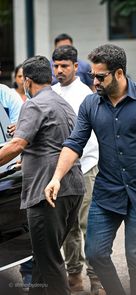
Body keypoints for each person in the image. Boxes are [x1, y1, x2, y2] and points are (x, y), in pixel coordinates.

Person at [45, 44, 136, 295]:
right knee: (95, 253)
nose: (95, 81)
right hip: (107, 192)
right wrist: (56, 177)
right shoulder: (91, 104)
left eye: (100, 76)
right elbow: (74, 143)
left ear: (120, 73)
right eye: (92, 75)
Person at [0, 55, 85, 295]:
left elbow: (17, 144)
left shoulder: (34, 104)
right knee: (42, 257)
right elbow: (51, 144)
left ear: (27, 81)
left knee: (48, 262)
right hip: (72, 189)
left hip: (47, 194)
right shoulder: (61, 103)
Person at [52, 45, 105, 295]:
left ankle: (96, 278)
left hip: (85, 168)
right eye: (56, 66)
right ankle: (75, 276)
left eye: (64, 66)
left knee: (88, 225)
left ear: (75, 66)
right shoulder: (50, 93)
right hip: (60, 172)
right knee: (68, 227)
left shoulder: (87, 94)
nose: (59, 70)